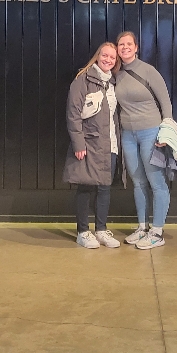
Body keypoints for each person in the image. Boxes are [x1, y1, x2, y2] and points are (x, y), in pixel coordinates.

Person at [116, 30, 173, 250]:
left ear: (136, 47)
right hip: (128, 135)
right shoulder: (117, 73)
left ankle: (157, 233)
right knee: (138, 181)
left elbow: (165, 102)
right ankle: (142, 228)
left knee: (156, 181)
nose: (125, 47)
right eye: (121, 44)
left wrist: (165, 133)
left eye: (128, 44)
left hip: (151, 132)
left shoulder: (148, 70)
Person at [63, 41, 122, 249]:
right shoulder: (83, 79)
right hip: (89, 144)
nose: (108, 60)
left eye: (112, 57)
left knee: (105, 187)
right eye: (105, 55)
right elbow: (73, 114)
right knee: (86, 186)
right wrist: (78, 143)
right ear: (97, 56)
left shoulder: (113, 82)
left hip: (110, 145)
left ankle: (101, 230)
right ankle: (83, 232)